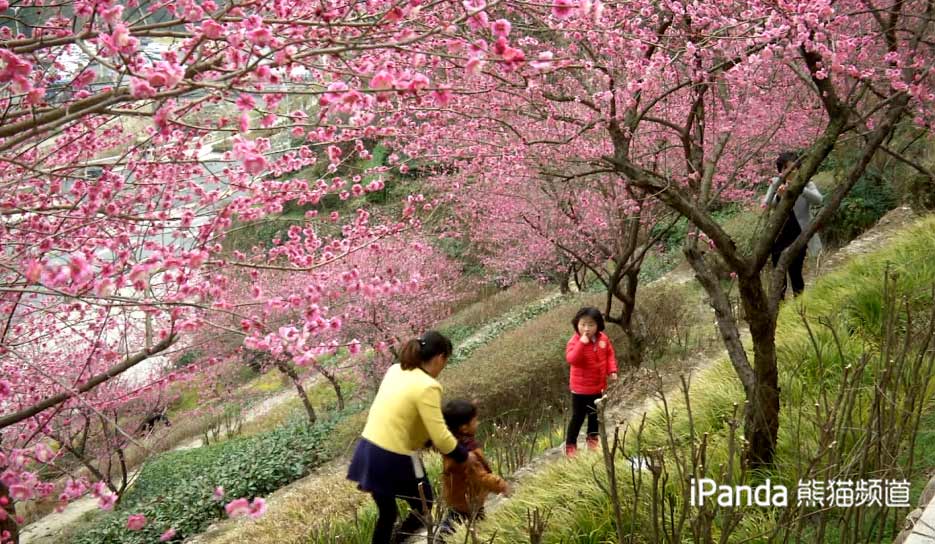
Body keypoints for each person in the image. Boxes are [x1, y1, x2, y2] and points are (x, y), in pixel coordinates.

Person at [347, 331, 471, 544]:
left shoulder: (395, 370)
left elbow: (402, 414)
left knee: (387, 514)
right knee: (424, 505)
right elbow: (441, 436)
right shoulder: (428, 386)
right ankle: (401, 541)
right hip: (395, 457)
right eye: (446, 361)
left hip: (367, 451)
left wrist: (424, 438)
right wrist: (464, 455)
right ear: (441, 357)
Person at [434, 400, 509, 541]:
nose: (478, 423)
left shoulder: (453, 444)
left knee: (475, 522)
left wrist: (471, 406)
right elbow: (481, 477)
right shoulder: (467, 455)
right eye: (475, 421)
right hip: (466, 500)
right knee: (452, 526)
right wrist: (501, 485)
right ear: (464, 428)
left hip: (461, 497)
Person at [762, 151, 824, 299]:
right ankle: (780, 304)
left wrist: (800, 188)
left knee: (796, 271)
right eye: (787, 168)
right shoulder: (776, 183)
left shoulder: (807, 182)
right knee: (779, 273)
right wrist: (778, 196)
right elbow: (766, 204)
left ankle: (800, 303)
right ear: (781, 170)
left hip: (799, 233)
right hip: (779, 235)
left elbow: (819, 200)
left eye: (795, 167)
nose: (792, 171)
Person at [564, 307, 618, 457]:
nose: (586, 329)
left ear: (598, 325)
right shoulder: (575, 341)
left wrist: (611, 370)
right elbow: (572, 359)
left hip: (598, 387)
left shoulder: (603, 339)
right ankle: (571, 446)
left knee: (595, 416)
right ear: (577, 324)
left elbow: (609, 355)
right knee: (578, 418)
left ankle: (592, 440)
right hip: (580, 390)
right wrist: (582, 343)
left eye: (591, 325)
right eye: (583, 325)